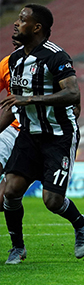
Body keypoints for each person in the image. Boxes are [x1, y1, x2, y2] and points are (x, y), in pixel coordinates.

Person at [0, 4, 84, 265]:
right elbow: (14, 104)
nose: (16, 24)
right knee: (11, 191)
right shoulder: (15, 60)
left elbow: (73, 93)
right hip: (28, 136)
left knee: (52, 201)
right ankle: (17, 247)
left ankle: (80, 222)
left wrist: (32, 99)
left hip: (59, 136)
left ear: (37, 27)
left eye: (22, 20)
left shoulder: (56, 57)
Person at [0, 40, 23, 208]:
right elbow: (11, 108)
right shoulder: (6, 63)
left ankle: (78, 222)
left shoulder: (51, 60)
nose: (15, 33)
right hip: (11, 128)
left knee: (53, 200)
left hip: (39, 132)